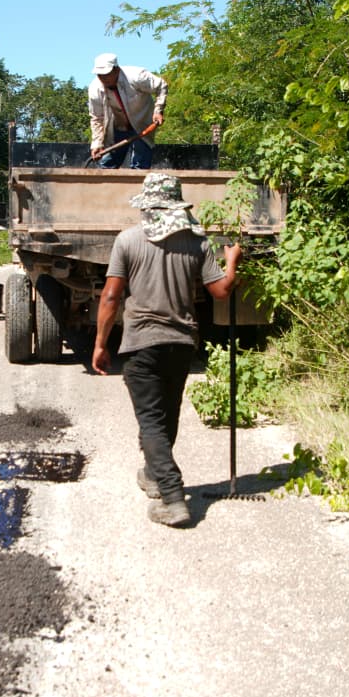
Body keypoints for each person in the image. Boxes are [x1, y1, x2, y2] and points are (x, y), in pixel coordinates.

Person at [92, 173, 242, 528]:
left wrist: (100, 344)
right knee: (166, 415)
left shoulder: (127, 241)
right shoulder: (197, 243)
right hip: (180, 344)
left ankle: (173, 498)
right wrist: (233, 261)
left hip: (142, 343)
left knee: (150, 421)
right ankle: (153, 473)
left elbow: (111, 296)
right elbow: (221, 291)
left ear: (146, 205)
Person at [88, 53, 167, 169]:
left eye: (106, 74)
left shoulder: (136, 76)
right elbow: (97, 118)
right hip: (117, 128)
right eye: (99, 74)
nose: (103, 78)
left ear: (116, 70)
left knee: (140, 167)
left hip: (142, 127)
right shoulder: (95, 89)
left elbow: (161, 86)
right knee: (107, 166)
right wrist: (97, 144)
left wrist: (158, 110)